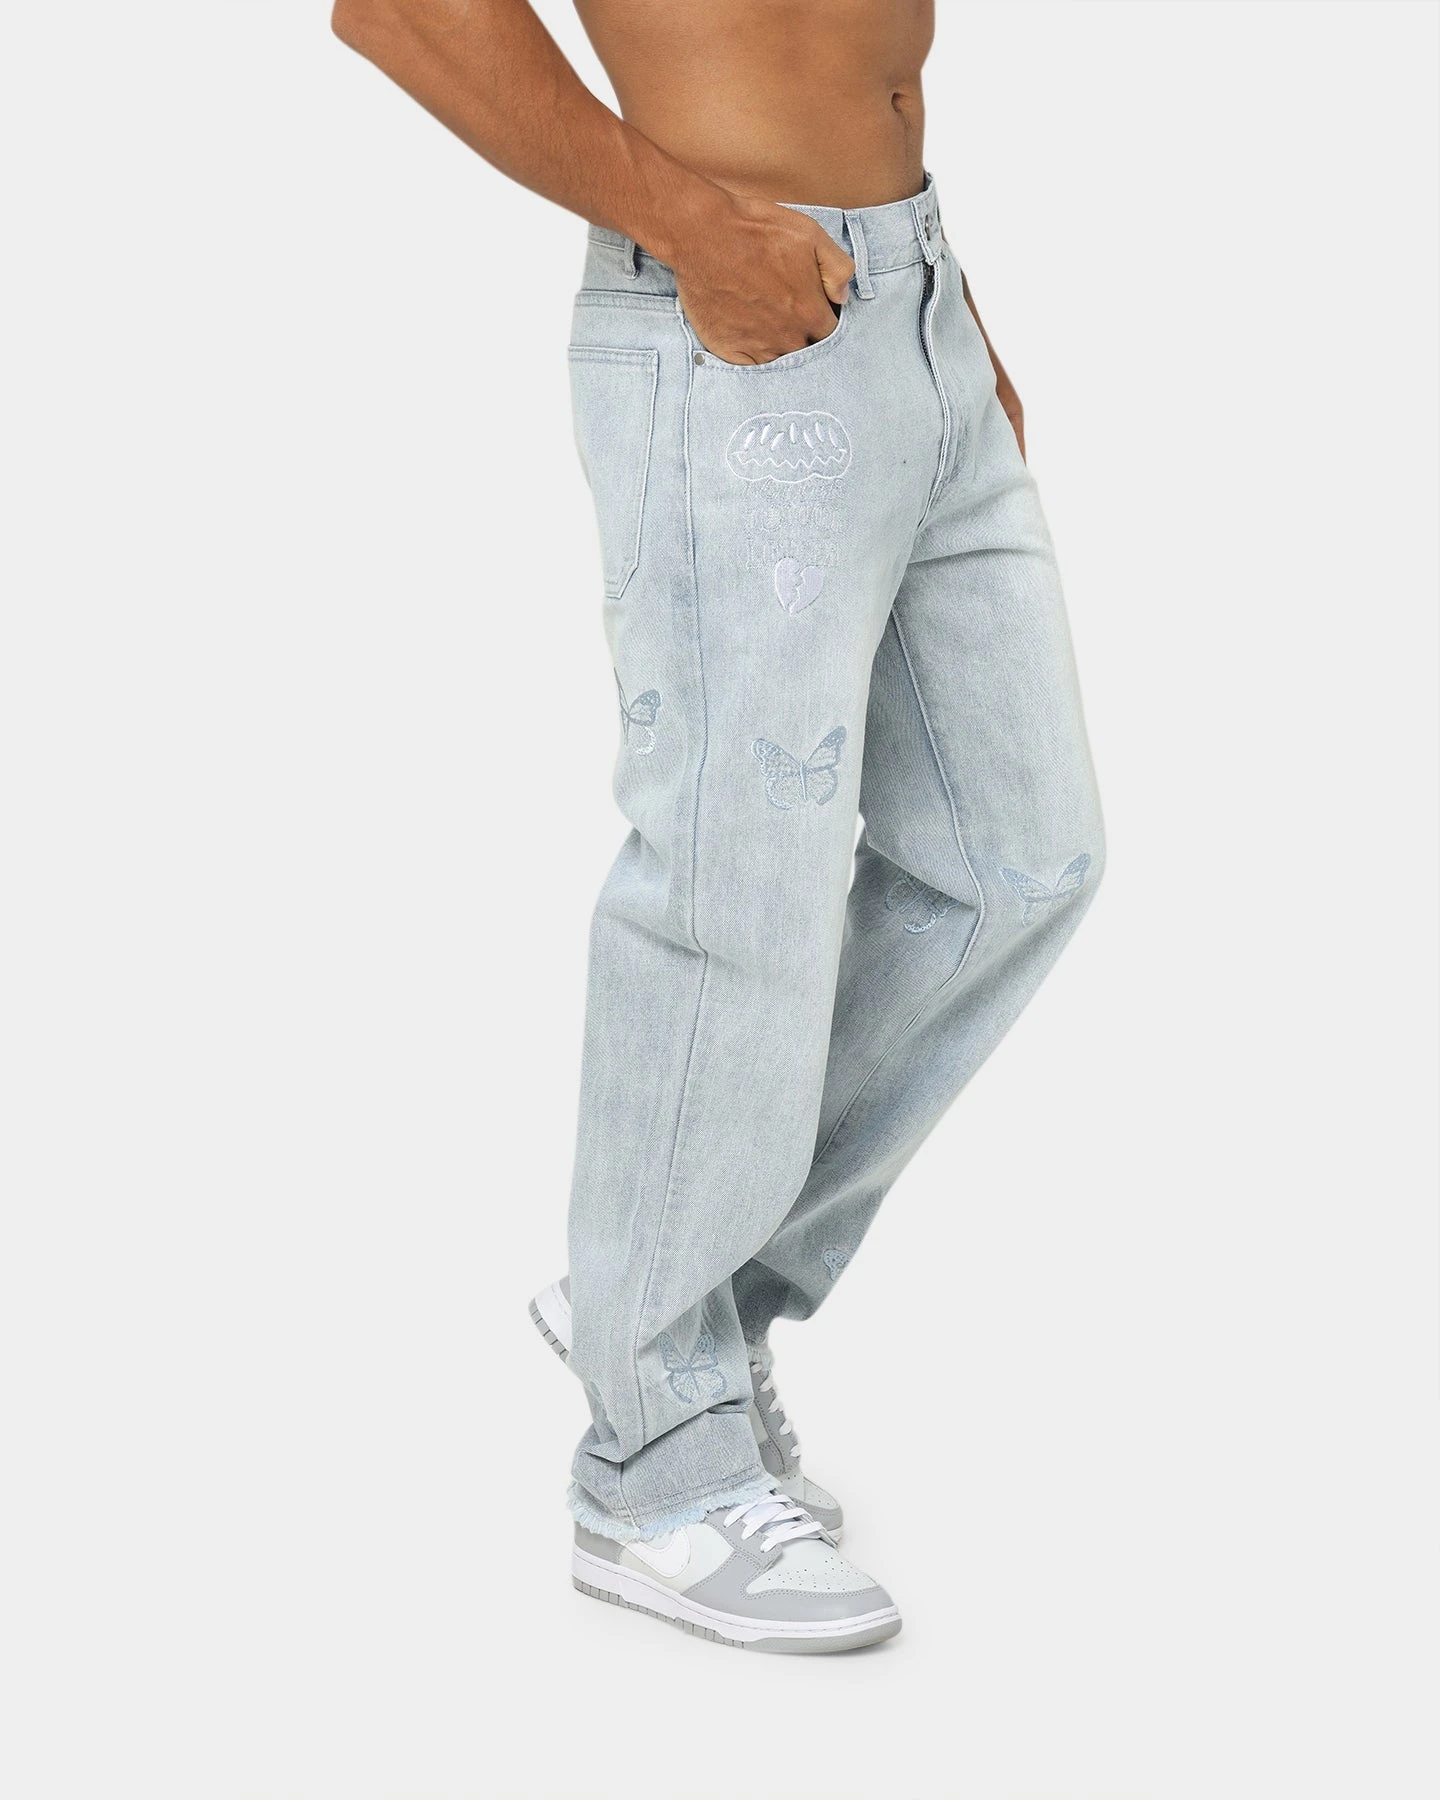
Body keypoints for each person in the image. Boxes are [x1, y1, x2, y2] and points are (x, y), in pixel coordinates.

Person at [331, 0, 1104, 1654]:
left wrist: (942, 316)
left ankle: (660, 1292)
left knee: (1020, 860)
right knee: (733, 889)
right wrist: (691, 228)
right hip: (730, 312)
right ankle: (650, 1470)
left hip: (911, 306)